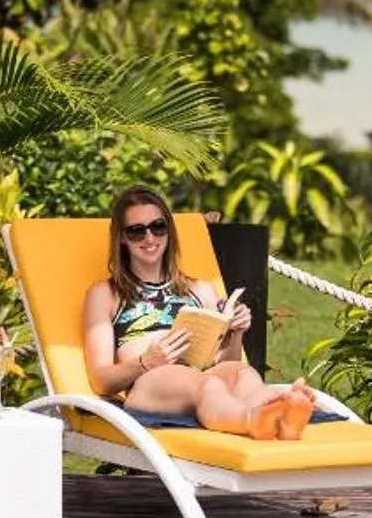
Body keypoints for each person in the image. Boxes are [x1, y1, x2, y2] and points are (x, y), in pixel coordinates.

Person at [80, 185, 317, 440]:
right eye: (137, 231)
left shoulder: (199, 289)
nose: (150, 238)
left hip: (199, 375)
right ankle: (253, 419)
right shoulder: (106, 293)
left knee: (243, 373)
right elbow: (101, 380)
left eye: (158, 227)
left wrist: (235, 333)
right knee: (207, 384)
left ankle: (283, 418)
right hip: (148, 383)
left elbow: (226, 362)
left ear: (169, 231)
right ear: (122, 238)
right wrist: (146, 361)